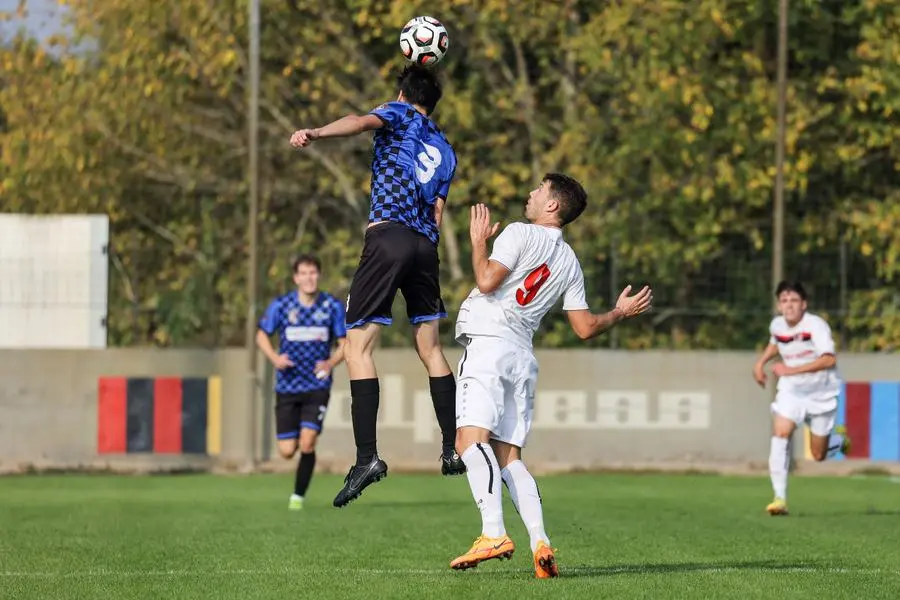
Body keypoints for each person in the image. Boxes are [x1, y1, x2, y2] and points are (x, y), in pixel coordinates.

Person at [448, 174, 653, 578]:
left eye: (538, 189)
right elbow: (585, 327)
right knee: (510, 458)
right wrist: (620, 312)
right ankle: (540, 543)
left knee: (469, 442)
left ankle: (493, 533)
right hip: (522, 356)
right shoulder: (569, 261)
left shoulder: (520, 233)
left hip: (489, 344)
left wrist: (477, 243)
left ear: (553, 205)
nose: (530, 193)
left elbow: (487, 281)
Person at [289, 64, 465, 508]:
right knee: (431, 349)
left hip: (388, 239)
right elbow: (438, 212)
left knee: (357, 348)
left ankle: (367, 458)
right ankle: (451, 446)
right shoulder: (446, 148)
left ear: (402, 94)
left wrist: (316, 132)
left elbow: (360, 122)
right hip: (426, 247)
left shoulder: (398, 114)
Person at [752, 280, 851, 516]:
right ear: (778, 305)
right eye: (784, 301)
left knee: (818, 455)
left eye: (794, 300)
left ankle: (838, 441)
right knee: (781, 432)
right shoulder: (777, 325)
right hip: (792, 391)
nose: (789, 305)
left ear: (804, 304)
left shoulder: (816, 326)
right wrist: (760, 363)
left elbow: (829, 359)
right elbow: (776, 343)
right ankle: (779, 498)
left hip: (822, 394)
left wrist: (790, 370)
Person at [256, 255, 346, 510]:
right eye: (304, 273)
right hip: (287, 386)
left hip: (317, 386)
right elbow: (261, 335)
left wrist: (330, 363)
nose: (309, 278)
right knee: (286, 450)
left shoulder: (331, 306)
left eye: (313, 273)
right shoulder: (282, 306)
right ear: (296, 278)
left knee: (308, 442)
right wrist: (274, 357)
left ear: (319, 275)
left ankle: (298, 497)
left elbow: (345, 344)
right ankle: (297, 473)